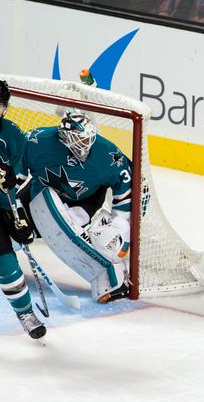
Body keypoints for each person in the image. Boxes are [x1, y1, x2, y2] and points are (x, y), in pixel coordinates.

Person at [22, 107, 133, 304]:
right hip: (39, 197)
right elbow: (12, 171)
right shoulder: (36, 141)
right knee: (8, 229)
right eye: (79, 140)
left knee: (105, 238)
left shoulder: (108, 154)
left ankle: (113, 280)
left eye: (87, 139)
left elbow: (130, 187)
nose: (85, 145)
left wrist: (120, 223)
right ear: (64, 136)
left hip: (85, 203)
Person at [0, 81, 46, 340]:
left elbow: (16, 179)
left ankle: (26, 314)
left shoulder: (12, 135)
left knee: (7, 264)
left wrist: (16, 216)